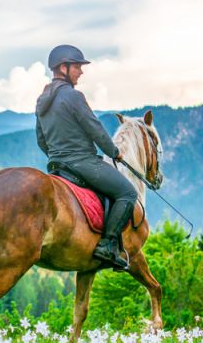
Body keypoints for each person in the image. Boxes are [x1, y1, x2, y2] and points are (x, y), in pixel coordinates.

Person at [35, 44, 137, 271]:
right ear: (64, 67)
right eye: (78, 67)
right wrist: (114, 152)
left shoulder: (42, 101)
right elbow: (94, 128)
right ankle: (108, 245)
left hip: (57, 166)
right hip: (83, 162)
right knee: (128, 192)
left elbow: (41, 139)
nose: (81, 72)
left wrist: (57, 157)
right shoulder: (73, 96)